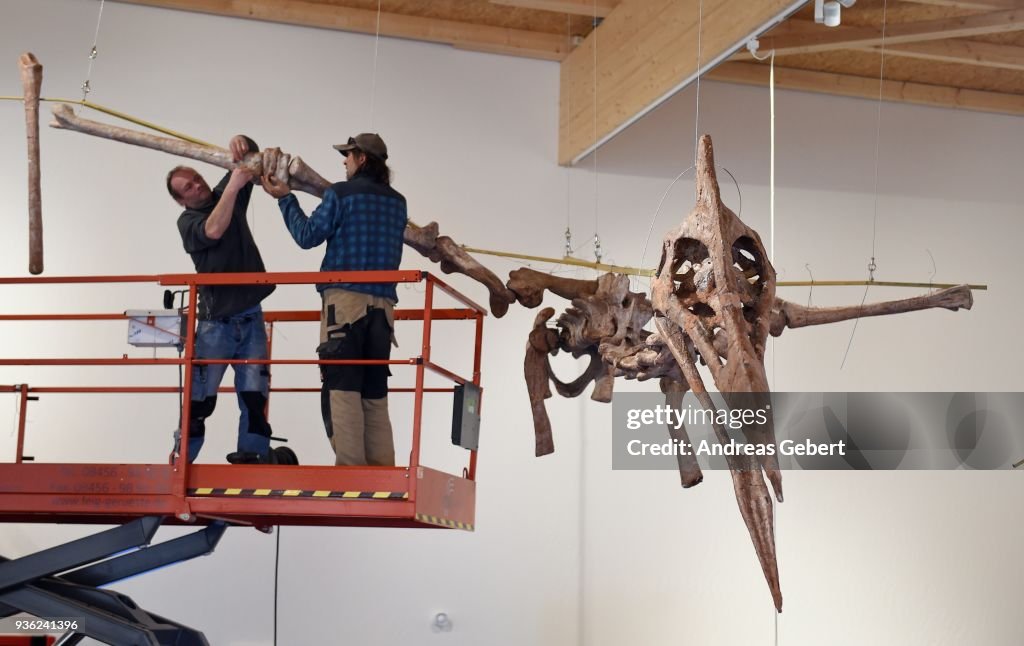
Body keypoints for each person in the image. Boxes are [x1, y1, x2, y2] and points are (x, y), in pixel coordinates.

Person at [261, 133, 407, 466]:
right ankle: (383, 470)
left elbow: (307, 235)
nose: (344, 161)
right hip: (384, 309)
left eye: (349, 155)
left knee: (342, 387)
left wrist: (285, 199)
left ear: (362, 159)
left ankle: (352, 470)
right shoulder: (398, 202)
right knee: (374, 391)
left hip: (344, 303)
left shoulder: (340, 194)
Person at [166, 135, 277, 464]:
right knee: (200, 402)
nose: (197, 186)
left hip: (252, 317)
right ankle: (181, 462)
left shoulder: (223, 193)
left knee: (255, 397)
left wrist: (242, 142)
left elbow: (250, 157)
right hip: (215, 326)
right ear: (181, 200)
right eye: (187, 187)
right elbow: (214, 229)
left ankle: (251, 459)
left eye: (196, 179)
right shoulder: (187, 222)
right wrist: (233, 186)